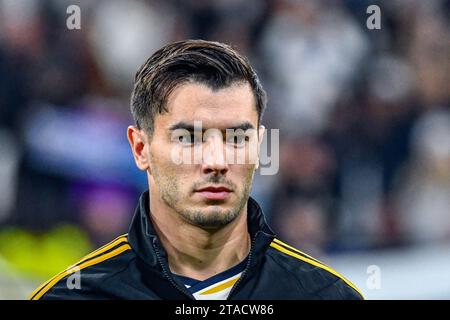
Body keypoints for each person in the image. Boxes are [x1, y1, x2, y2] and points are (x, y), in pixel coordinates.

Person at [29, 40, 363, 300]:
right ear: (141, 148)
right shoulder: (74, 295)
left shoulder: (325, 293)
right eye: (189, 138)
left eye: (236, 137)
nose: (216, 161)